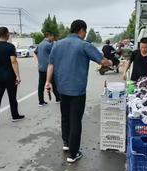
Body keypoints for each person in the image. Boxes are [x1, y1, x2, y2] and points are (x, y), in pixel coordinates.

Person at [46, 19, 112, 163]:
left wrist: (47, 82)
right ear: (81, 30)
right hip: (77, 91)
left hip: (62, 88)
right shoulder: (84, 45)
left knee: (65, 116)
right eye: (85, 31)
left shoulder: (58, 45)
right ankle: (73, 154)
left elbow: (50, 64)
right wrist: (111, 62)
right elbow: (102, 61)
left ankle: (66, 144)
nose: (85, 34)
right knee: (75, 120)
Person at [0, 26, 24, 122]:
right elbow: (13, 61)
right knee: (12, 97)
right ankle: (15, 116)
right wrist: (17, 75)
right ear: (7, 34)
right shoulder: (10, 47)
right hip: (9, 76)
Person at [35, 31, 60, 106]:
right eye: (52, 36)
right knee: (54, 83)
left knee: (41, 85)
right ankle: (58, 98)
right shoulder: (49, 45)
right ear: (49, 36)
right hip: (48, 68)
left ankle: (41, 101)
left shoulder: (40, 44)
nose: (53, 38)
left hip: (41, 68)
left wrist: (40, 60)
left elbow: (35, 52)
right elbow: (56, 54)